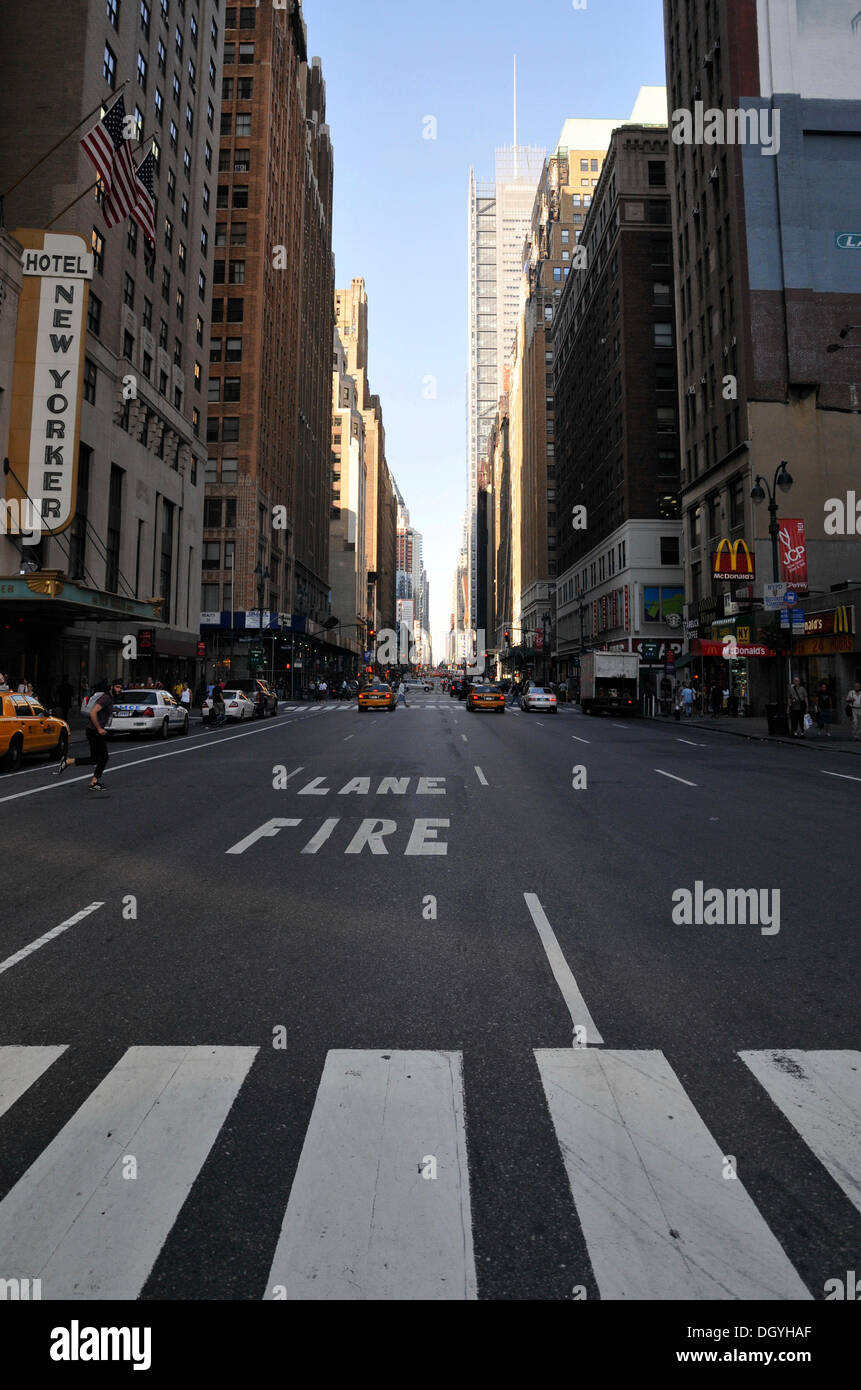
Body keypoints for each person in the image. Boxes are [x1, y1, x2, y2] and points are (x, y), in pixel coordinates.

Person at [54, 677, 123, 790]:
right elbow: (93, 713)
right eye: (117, 687)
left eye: (120, 687)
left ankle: (68, 761)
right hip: (94, 731)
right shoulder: (106, 698)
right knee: (104, 757)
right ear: (112, 687)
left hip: (92, 731)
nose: (119, 689)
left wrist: (114, 710)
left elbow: (103, 711)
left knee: (94, 759)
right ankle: (94, 782)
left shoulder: (110, 698)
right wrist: (99, 729)